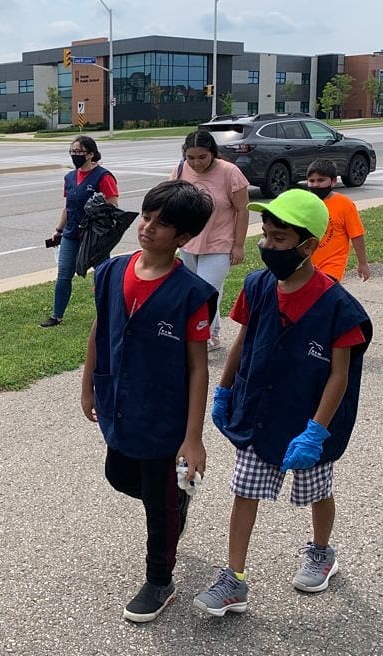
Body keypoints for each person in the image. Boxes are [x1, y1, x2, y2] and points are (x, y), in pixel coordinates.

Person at [194, 189, 372, 617]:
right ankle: (234, 578)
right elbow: (241, 342)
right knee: (244, 490)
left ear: (308, 245)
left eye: (279, 239)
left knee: (316, 488)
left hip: (307, 417)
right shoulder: (257, 286)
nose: (267, 246)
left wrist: (317, 430)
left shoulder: (338, 307)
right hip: (259, 412)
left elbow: (339, 374)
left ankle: (321, 551)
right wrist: (224, 390)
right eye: (266, 236)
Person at [81, 180, 216, 623]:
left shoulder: (192, 294)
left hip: (164, 416)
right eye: (147, 216)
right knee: (119, 474)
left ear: (183, 238)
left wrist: (193, 438)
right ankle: (176, 505)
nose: (148, 227)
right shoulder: (112, 272)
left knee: (158, 508)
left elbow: (198, 367)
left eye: (162, 225)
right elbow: (99, 332)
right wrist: (87, 386)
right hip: (119, 402)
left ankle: (160, 579)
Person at [171, 130, 249, 350]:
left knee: (205, 291)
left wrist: (239, 245)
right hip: (189, 242)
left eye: (202, 157)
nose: (196, 163)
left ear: (213, 153)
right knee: (197, 290)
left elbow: (242, 210)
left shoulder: (230, 172)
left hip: (219, 243)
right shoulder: (180, 170)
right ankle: (208, 333)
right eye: (191, 157)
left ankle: (204, 336)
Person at [40, 135, 119, 327]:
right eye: (72, 152)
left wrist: (98, 216)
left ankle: (107, 314)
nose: (75, 155)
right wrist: (58, 230)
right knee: (64, 274)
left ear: (91, 154)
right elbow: (68, 206)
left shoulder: (103, 176)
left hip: (94, 235)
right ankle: (57, 315)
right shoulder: (70, 177)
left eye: (79, 152)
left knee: (102, 274)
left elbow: (113, 204)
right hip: (71, 233)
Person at [306, 158, 371, 282]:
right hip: (308, 264)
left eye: (321, 180)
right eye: (311, 181)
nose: (315, 185)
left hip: (332, 265)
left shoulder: (344, 204)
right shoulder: (305, 203)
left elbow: (357, 235)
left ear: (334, 181)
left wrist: (363, 263)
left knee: (325, 294)